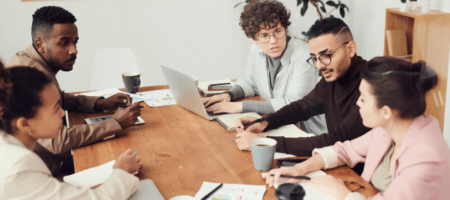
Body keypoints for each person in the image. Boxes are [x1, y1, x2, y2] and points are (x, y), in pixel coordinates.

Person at [264, 57, 450, 200]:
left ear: (385, 111)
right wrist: (300, 169)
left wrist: (342, 194)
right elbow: (345, 150)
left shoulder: (426, 159)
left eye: (363, 99)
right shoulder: (390, 127)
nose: (358, 104)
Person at [7, 6, 142, 176]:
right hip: (41, 176)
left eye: (75, 42)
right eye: (64, 43)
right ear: (40, 44)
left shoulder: (29, 60)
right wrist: (115, 123)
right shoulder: (27, 76)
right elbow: (58, 141)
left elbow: (55, 99)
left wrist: (100, 103)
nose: (74, 50)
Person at [0, 60, 143, 199]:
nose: (63, 113)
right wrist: (121, 171)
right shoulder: (19, 166)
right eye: (56, 108)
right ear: (25, 124)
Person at [235, 17, 371, 156]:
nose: (319, 66)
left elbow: (337, 140)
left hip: (360, 173)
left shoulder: (371, 86)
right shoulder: (334, 76)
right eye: (314, 58)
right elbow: (302, 107)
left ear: (350, 48)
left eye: (326, 55)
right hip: (338, 161)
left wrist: (265, 142)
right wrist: (266, 122)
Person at [203, 0, 326, 134]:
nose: (273, 41)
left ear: (285, 29)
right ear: (254, 39)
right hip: (277, 123)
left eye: (278, 31)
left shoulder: (304, 56)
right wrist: (229, 94)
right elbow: (249, 82)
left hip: (304, 131)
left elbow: (292, 104)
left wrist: (240, 106)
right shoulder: (256, 49)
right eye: (264, 35)